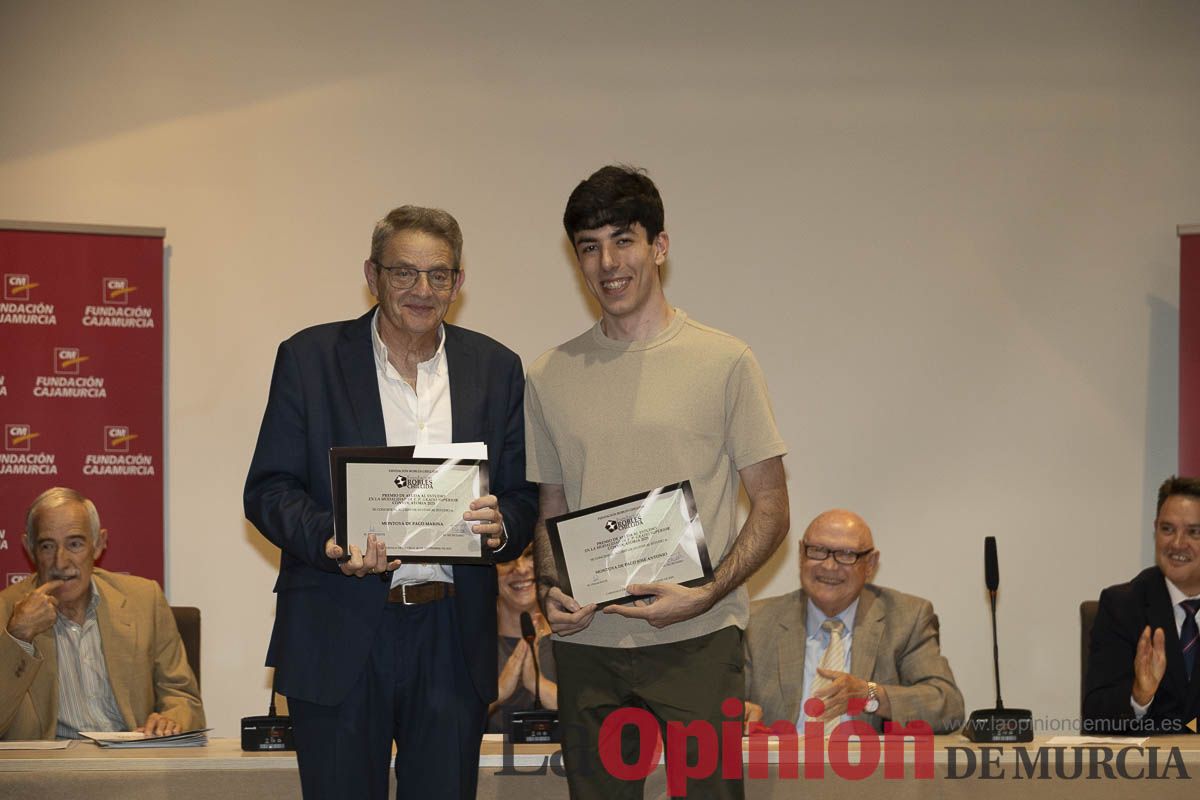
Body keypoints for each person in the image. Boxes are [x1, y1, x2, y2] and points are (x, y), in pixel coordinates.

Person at [243, 206, 537, 799]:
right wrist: (331, 539)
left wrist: (501, 524)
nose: (421, 290)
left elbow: (523, 496)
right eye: (403, 273)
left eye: (438, 275)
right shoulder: (309, 358)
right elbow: (267, 490)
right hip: (338, 625)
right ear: (372, 276)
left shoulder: (497, 368)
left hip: (452, 636)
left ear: (459, 282)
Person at [526, 165, 790, 799]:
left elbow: (773, 507)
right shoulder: (548, 375)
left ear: (659, 246)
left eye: (624, 239)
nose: (607, 262)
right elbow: (551, 509)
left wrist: (706, 594)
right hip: (589, 644)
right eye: (589, 247)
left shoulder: (725, 360)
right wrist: (548, 589)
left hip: (698, 642)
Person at [0, 487, 204, 740]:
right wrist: (19, 636)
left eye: (75, 544)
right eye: (47, 546)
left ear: (98, 544)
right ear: (29, 548)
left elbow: (183, 697)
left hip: (132, 761)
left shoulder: (144, 599)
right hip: (51, 771)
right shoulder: (5, 612)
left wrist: (172, 719)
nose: (61, 562)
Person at [744, 509, 964, 735]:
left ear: (870, 563)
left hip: (869, 767)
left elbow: (947, 705)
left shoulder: (907, 618)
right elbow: (723, 703)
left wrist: (870, 695)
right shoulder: (756, 622)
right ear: (801, 554)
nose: (829, 566)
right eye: (818, 551)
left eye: (846, 554)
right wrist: (738, 712)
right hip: (780, 766)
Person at [1084, 475, 1200, 734]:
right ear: (1155, 529)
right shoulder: (1122, 606)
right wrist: (1139, 696)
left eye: (1194, 532)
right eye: (1167, 529)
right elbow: (1094, 715)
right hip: (1151, 770)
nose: (1178, 543)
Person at [489, 543, 557, 733]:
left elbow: (598, 716)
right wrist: (499, 692)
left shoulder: (571, 636)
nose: (521, 569)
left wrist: (539, 685)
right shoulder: (472, 644)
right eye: (507, 559)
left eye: (529, 555)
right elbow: (445, 723)